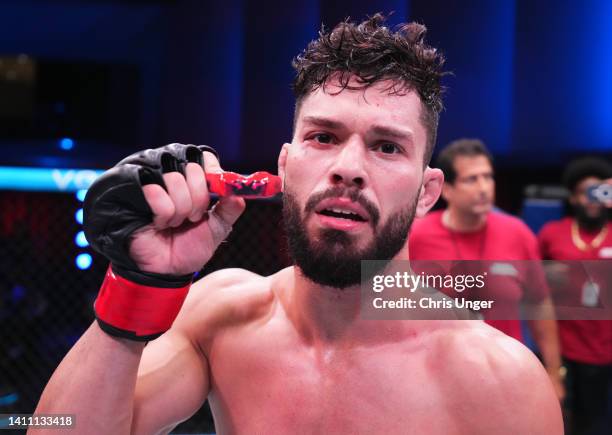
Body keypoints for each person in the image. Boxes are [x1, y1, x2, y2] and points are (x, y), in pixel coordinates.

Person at [33, 15, 562, 434]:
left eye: (386, 146)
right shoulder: (220, 317)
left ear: (427, 193)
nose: (349, 167)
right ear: (285, 166)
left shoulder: (498, 380)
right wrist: (140, 285)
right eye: (323, 137)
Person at [409, 138, 565, 399]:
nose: (483, 188)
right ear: (446, 190)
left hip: (507, 380)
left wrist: (553, 371)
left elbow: (539, 304)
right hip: (435, 382)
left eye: (488, 177)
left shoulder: (518, 233)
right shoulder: (416, 236)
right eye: (472, 179)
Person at [538, 157, 612, 435]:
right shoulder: (552, 234)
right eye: (585, 192)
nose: (592, 200)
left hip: (604, 349)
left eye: (599, 192)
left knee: (594, 423)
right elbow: (532, 287)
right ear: (573, 197)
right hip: (562, 346)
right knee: (556, 421)